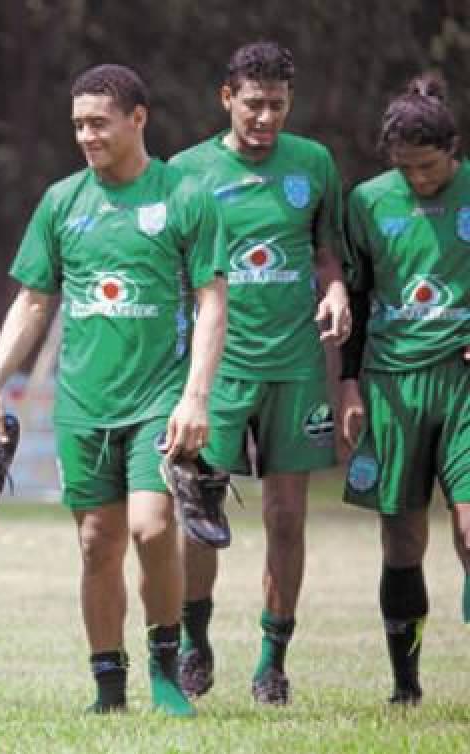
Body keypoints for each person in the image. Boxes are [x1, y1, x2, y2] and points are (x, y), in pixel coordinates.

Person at [0, 64, 227, 717]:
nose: (86, 135)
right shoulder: (61, 202)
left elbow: (213, 301)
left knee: (150, 526)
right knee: (94, 543)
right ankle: (109, 689)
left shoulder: (185, 197)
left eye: (98, 123)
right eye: (78, 123)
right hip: (81, 404)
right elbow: (31, 301)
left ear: (138, 119)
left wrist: (195, 396)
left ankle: (167, 669)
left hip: (158, 397)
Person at [167, 41, 351, 705]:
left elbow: (328, 253)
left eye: (277, 105)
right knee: (200, 514)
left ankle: (273, 661)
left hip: (295, 369)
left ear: (289, 103)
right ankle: (194, 642)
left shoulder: (314, 164)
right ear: (226, 99)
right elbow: (171, 268)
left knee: (287, 519)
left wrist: (334, 291)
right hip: (217, 373)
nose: (265, 117)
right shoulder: (186, 172)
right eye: (253, 104)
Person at [340, 72, 470, 706]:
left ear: (454, 149)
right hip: (391, 384)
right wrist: (348, 384)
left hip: (464, 383)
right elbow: (358, 299)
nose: (418, 179)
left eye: (428, 167)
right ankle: (406, 684)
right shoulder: (367, 202)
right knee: (402, 539)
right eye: (405, 169)